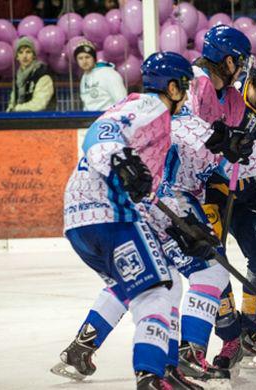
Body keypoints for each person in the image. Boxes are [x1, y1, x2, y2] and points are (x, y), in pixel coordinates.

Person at [56, 51, 198, 390]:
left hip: (81, 219)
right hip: (108, 211)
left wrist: (181, 228)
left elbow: (146, 195)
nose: (188, 95)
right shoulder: (152, 106)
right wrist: (120, 161)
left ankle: (159, 367)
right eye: (186, 87)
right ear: (174, 87)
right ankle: (151, 374)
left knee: (148, 280)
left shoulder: (158, 125)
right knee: (157, 289)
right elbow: (99, 133)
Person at [182, 24, 256, 372]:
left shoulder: (240, 100)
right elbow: (220, 159)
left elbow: (246, 163)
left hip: (242, 189)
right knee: (214, 264)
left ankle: (251, 330)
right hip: (210, 190)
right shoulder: (204, 88)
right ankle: (227, 337)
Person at [74, 40, 127, 111]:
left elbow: (122, 101)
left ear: (94, 58)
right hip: (90, 120)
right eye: (80, 58)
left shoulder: (108, 74)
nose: (84, 61)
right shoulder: (84, 77)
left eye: (87, 57)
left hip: (108, 119)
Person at [7, 36, 56, 112]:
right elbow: (12, 102)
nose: (24, 56)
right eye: (21, 52)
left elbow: (39, 104)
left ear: (34, 56)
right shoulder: (18, 77)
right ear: (17, 57)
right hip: (22, 120)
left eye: (28, 52)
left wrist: (16, 109)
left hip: (43, 120)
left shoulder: (42, 74)